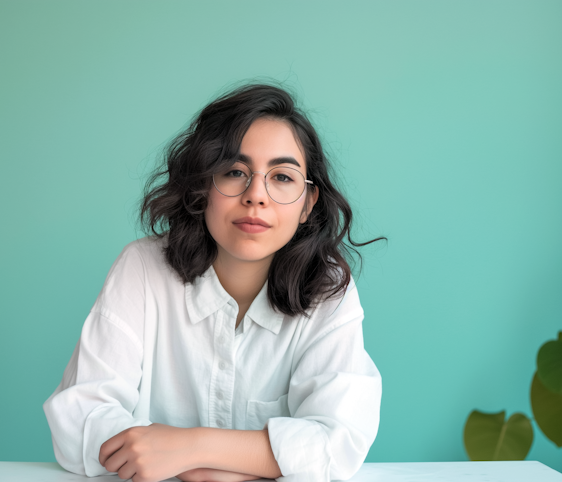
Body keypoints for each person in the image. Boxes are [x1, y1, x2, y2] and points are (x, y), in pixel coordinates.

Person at [43, 83, 385, 482]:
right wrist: (254, 459)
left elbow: (339, 443)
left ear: (308, 203)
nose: (256, 195)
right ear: (203, 187)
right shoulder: (141, 268)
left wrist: (191, 449)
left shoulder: (328, 291)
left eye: (283, 177)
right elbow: (78, 422)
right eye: (235, 172)